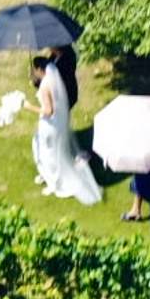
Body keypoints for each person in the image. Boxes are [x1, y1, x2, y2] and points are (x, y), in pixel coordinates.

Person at [22, 56, 102, 205]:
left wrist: (28, 106)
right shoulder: (52, 80)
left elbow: (48, 110)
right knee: (52, 148)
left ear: (40, 69)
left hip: (49, 124)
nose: (34, 72)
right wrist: (34, 80)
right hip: (58, 122)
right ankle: (51, 176)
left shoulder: (46, 86)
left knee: (47, 151)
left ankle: (54, 182)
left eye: (35, 69)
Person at [48, 45, 78, 110]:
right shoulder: (53, 57)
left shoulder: (68, 59)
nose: (49, 47)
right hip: (55, 94)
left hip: (66, 94)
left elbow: (61, 76)